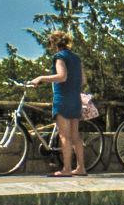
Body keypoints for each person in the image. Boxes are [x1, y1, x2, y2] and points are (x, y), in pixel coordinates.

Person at [30, 29, 85, 177]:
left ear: (54, 43)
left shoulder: (59, 56)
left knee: (64, 136)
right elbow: (83, 80)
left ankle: (66, 169)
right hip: (75, 98)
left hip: (63, 98)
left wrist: (41, 78)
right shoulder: (76, 58)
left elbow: (61, 76)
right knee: (75, 136)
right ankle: (81, 168)